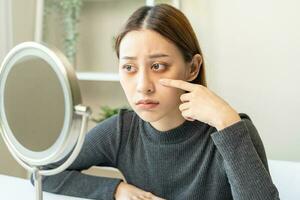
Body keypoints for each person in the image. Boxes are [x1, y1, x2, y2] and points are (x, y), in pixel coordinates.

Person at [32, 4, 280, 200]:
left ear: (192, 68)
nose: (143, 85)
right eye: (129, 67)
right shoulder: (121, 131)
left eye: (158, 66)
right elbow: (42, 173)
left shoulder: (232, 130)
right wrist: (116, 190)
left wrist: (226, 121)